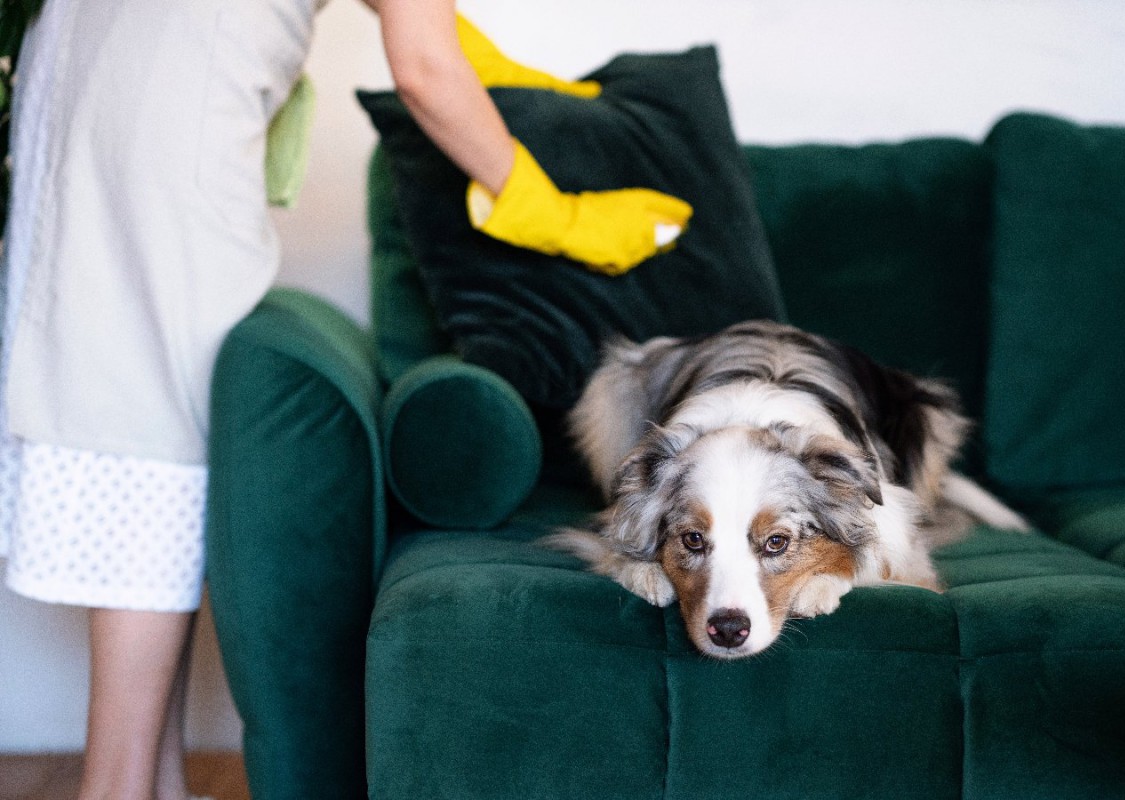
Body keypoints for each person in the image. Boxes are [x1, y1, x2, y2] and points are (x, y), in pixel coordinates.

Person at [0, 1, 690, 799]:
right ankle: (115, 787)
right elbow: (428, 66)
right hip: (154, 126)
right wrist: (559, 216)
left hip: (86, 84)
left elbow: (439, 33)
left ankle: (152, 783)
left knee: (141, 422)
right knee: (152, 443)